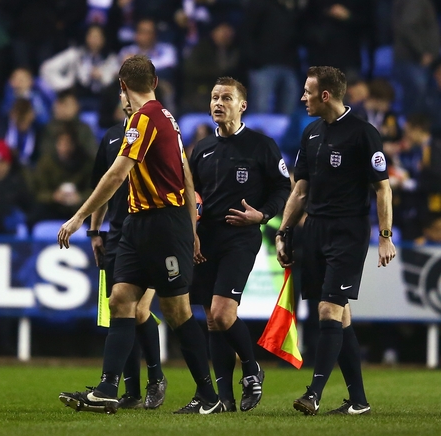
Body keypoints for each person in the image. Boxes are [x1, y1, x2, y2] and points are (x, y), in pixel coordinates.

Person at [58, 55, 220, 415]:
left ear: (122, 86)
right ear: (155, 81)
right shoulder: (167, 118)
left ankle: (209, 396)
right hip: (138, 223)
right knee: (120, 299)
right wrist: (193, 219)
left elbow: (116, 175)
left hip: (164, 223)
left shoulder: (144, 119)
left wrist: (78, 217)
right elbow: (184, 168)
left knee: (176, 311)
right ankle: (106, 389)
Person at [276, 66, 396, 416]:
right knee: (338, 315)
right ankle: (358, 402)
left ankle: (313, 393)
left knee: (328, 308)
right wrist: (285, 233)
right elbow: (300, 189)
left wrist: (385, 236)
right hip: (314, 231)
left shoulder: (364, 134)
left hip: (349, 232)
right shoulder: (310, 133)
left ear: (324, 95)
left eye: (307, 92)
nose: (302, 98)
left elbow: (383, 189)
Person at [188, 77, 291, 412]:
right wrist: (192, 232)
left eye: (226, 98)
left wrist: (262, 216)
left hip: (241, 236)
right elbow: (191, 196)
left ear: (242, 105)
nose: (218, 103)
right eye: (215, 97)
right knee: (211, 320)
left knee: (222, 312)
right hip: (207, 239)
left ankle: (251, 366)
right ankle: (223, 400)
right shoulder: (202, 148)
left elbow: (282, 188)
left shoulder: (262, 146)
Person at [86, 89, 166, 410]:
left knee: (139, 310)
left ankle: (156, 378)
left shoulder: (158, 130)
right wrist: (95, 230)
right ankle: (130, 391)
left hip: (149, 232)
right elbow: (102, 187)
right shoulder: (110, 138)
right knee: (120, 308)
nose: (127, 98)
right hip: (116, 234)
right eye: (123, 93)